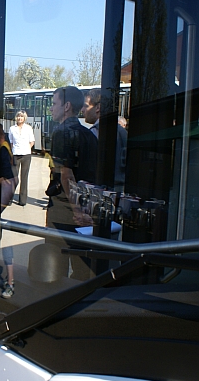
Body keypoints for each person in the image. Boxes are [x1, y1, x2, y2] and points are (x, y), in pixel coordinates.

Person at [46, 86, 98, 279]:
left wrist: (75, 210)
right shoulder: (89, 135)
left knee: (54, 266)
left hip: (65, 209)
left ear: (66, 106)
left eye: (53, 103)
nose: (51, 109)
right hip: (86, 208)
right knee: (82, 267)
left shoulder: (62, 132)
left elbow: (66, 175)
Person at [0, 124, 17, 298]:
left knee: (6, 243)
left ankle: (10, 282)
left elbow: (7, 180)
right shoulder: (7, 148)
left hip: (4, 202)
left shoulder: (3, 151)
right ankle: (9, 278)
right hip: (8, 202)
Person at [82, 88, 127, 189]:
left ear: (98, 107)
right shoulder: (122, 131)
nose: (82, 110)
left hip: (104, 189)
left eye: (86, 106)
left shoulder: (96, 132)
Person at [8, 110, 35, 206]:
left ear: (24, 118)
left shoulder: (28, 128)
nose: (20, 118)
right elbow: (11, 142)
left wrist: (26, 149)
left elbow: (32, 141)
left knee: (24, 178)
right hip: (15, 155)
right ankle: (9, 198)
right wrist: (14, 150)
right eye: (18, 116)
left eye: (22, 116)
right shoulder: (12, 128)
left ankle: (22, 200)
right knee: (13, 178)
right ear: (16, 117)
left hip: (26, 156)